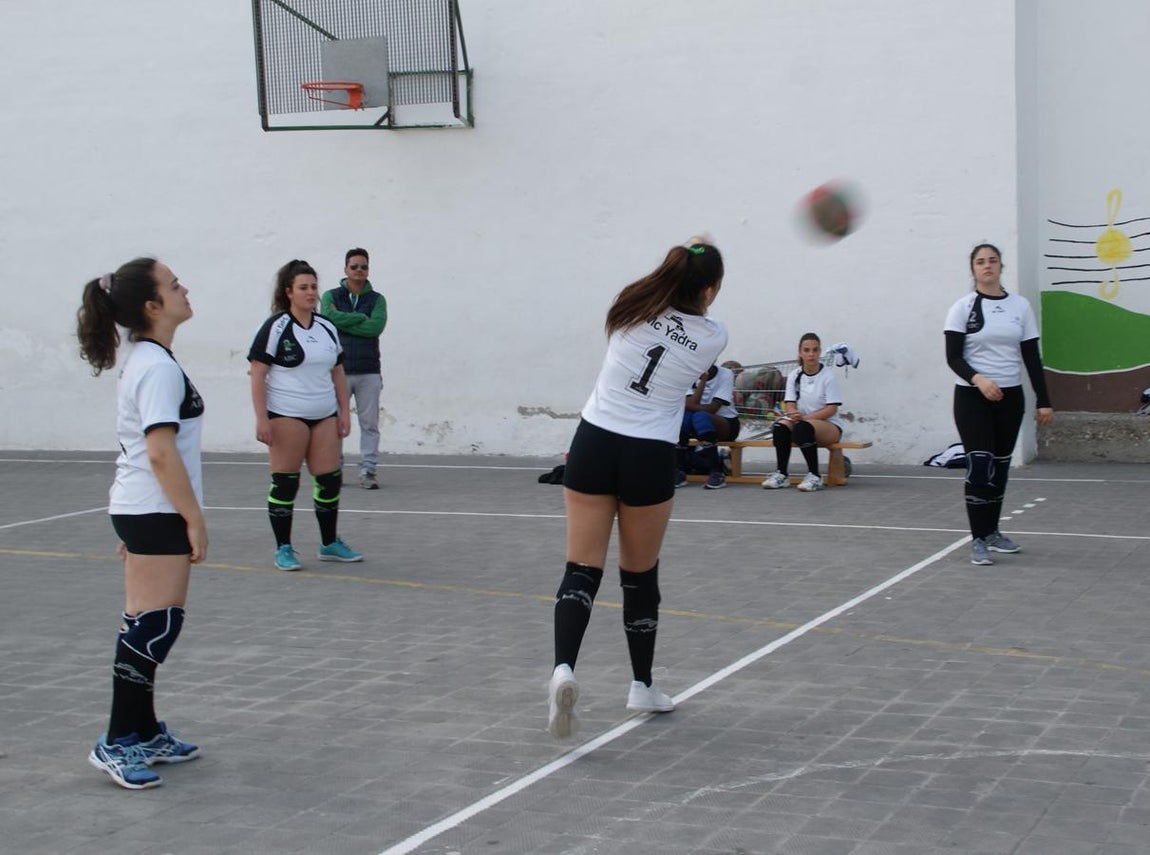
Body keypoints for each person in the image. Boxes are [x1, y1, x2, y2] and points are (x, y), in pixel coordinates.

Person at [548, 238, 728, 739]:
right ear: (710, 289)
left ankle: (563, 668)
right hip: (648, 451)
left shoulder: (630, 304)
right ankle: (641, 684)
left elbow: (666, 290)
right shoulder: (714, 336)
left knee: (581, 569)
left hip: (594, 440)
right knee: (639, 575)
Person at [77, 257, 205, 790]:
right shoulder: (156, 366)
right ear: (152, 306)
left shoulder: (151, 358)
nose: (184, 288)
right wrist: (193, 520)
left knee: (146, 622)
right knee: (156, 625)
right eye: (174, 285)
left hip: (142, 507)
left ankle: (144, 731)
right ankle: (117, 741)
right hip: (154, 506)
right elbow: (159, 451)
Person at [248, 259, 364, 571]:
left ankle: (329, 543)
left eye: (314, 287)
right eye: (303, 288)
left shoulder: (326, 327)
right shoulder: (276, 328)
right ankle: (283, 548)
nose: (311, 293)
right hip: (287, 414)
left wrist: (343, 412)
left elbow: (338, 371)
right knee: (285, 482)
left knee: (329, 480)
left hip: (324, 413)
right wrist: (262, 419)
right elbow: (257, 374)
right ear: (289, 292)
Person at [945, 243, 1054, 565]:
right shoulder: (963, 307)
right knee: (980, 465)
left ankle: (992, 531)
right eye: (980, 262)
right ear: (973, 269)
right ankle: (978, 539)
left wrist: (1044, 401)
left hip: (1010, 399)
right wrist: (979, 379)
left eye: (992, 261)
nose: (987, 266)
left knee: (1000, 468)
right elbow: (953, 357)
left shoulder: (1020, 307)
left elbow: (1032, 357)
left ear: (1001, 267)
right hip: (971, 397)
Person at [320, 248, 388, 490]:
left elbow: (375, 328)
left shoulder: (378, 299)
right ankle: (334, 470)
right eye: (355, 266)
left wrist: (345, 320)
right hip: (339, 370)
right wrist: (361, 317)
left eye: (364, 266)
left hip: (369, 370)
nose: (359, 270)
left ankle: (368, 470)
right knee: (335, 422)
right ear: (345, 269)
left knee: (369, 423)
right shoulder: (330, 296)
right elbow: (328, 318)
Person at [761, 332, 843, 492]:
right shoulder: (794, 375)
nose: (811, 354)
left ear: (820, 352)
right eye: (806, 350)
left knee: (802, 427)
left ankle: (815, 476)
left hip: (829, 426)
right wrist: (793, 414)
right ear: (800, 352)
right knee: (779, 428)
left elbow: (831, 408)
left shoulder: (828, 376)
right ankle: (782, 474)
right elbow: (789, 403)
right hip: (804, 422)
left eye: (815, 350)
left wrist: (804, 418)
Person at [676, 362, 741, 489]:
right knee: (683, 418)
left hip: (726, 424)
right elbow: (690, 404)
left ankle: (716, 473)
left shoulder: (726, 374)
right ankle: (679, 471)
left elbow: (712, 409)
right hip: (700, 423)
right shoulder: (688, 374)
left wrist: (690, 405)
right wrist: (702, 380)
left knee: (700, 416)